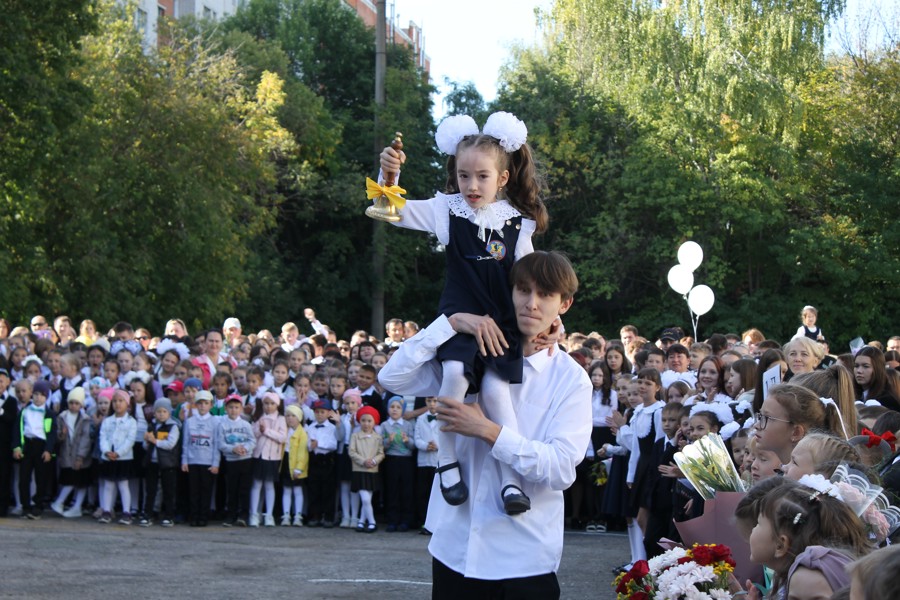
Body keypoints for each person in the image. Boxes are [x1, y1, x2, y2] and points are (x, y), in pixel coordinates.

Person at [378, 250, 591, 597]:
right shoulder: (467, 353)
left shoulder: (571, 380)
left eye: (546, 295)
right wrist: (452, 322)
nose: (531, 304)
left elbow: (561, 470)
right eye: (523, 290)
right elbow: (391, 377)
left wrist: (489, 431)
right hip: (454, 546)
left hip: (523, 555)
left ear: (563, 305)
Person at [377, 111, 547, 515]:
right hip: (458, 317)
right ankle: (446, 461)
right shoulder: (445, 210)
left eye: (483, 176)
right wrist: (389, 178)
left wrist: (550, 319)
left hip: (501, 326)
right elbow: (388, 210)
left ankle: (511, 481)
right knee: (453, 377)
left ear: (502, 179)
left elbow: (532, 280)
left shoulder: (517, 224)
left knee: (494, 392)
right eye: (464, 175)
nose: (472, 185)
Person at [13, 380, 58, 520]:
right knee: (24, 478)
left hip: (41, 446)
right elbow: (17, 430)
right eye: (36, 394)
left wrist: (48, 450)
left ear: (47, 397)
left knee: (41, 478)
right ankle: (25, 506)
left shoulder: (49, 413)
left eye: (42, 395)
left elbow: (51, 434)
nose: (38, 398)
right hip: (28, 445)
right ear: (32, 394)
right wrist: (17, 447)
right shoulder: (25, 411)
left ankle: (38, 505)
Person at [51, 387, 92, 518]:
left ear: (81, 405)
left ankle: (75, 505)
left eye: (77, 403)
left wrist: (81, 456)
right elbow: (57, 437)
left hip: (81, 455)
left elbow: (86, 438)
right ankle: (61, 502)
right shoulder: (62, 417)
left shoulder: (86, 419)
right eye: (71, 402)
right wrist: (62, 435)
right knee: (69, 479)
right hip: (67, 454)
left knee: (81, 481)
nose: (73, 406)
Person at [180, 390, 220, 527]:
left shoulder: (215, 422)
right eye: (200, 403)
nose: (203, 406)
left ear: (211, 405)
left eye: (206, 403)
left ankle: (203, 516)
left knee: (206, 490)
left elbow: (216, 444)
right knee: (194, 490)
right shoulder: (189, 422)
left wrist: (216, 463)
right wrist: (184, 461)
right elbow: (185, 443)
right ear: (196, 405)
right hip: (193, 460)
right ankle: (194, 515)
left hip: (207, 461)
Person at [98, 389, 137, 524]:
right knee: (108, 485)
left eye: (121, 401)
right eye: (114, 401)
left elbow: (130, 440)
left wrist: (119, 453)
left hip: (123, 458)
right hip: (109, 457)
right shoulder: (107, 421)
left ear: (127, 404)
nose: (117, 404)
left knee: (123, 484)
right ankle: (106, 510)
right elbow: (103, 438)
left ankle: (127, 512)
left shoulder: (131, 422)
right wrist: (106, 451)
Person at [140, 398, 180, 527]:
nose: (161, 414)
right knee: (150, 489)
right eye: (158, 411)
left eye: (164, 411)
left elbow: (170, 444)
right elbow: (146, 446)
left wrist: (155, 441)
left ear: (169, 413)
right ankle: (148, 514)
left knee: (168, 490)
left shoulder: (173, 426)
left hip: (168, 463)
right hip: (152, 462)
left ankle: (169, 515)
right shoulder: (152, 425)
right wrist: (146, 441)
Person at [249, 391, 287, 528]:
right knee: (256, 485)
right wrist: (259, 430)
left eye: (272, 404)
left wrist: (267, 431)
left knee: (269, 486)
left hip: (272, 457)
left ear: (277, 405)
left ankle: (269, 515)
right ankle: (254, 514)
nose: (269, 406)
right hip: (258, 455)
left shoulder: (281, 419)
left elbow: (282, 438)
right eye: (266, 403)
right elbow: (253, 434)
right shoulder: (259, 417)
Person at [382, 396, 416, 532]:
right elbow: (381, 446)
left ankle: (405, 520)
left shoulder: (407, 425)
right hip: (391, 460)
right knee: (392, 490)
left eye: (398, 407)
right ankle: (392, 520)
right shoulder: (385, 425)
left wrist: (407, 440)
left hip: (406, 461)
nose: (394, 410)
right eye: (392, 407)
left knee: (406, 491)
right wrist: (388, 441)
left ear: (402, 410)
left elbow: (413, 446)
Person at [349, 405, 385, 533]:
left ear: (374, 422)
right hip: (359, 469)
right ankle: (372, 522)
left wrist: (374, 461)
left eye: (369, 421)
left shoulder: (378, 438)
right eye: (363, 420)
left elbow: (381, 453)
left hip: (372, 470)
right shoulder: (355, 436)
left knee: (367, 499)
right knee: (364, 498)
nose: (366, 424)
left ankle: (361, 521)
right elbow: (352, 452)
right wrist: (363, 461)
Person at [305, 399, 339, 527]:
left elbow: (333, 445)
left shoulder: (332, 427)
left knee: (328, 490)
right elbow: (307, 444)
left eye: (322, 412)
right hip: (314, 459)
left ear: (328, 413)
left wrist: (319, 444)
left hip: (327, 460)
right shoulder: (310, 427)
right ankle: (315, 515)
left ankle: (328, 516)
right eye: (317, 412)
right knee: (314, 489)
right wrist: (310, 446)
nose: (319, 414)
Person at [415, 396, 440, 533]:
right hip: (424, 461)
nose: (432, 404)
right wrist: (425, 446)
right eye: (429, 401)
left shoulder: (443, 417)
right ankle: (424, 522)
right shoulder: (420, 418)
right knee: (423, 493)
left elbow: (448, 438)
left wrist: (438, 446)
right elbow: (417, 438)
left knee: (435, 493)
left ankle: (435, 523)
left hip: (437, 460)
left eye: (435, 401)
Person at [281, 404, 308, 527]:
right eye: (287, 415)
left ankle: (298, 515)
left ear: (299, 418)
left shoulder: (302, 433)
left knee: (297, 490)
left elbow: (303, 452)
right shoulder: (284, 430)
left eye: (293, 416)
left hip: (297, 465)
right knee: (286, 490)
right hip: (286, 462)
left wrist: (299, 468)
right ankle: (286, 514)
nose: (290, 418)